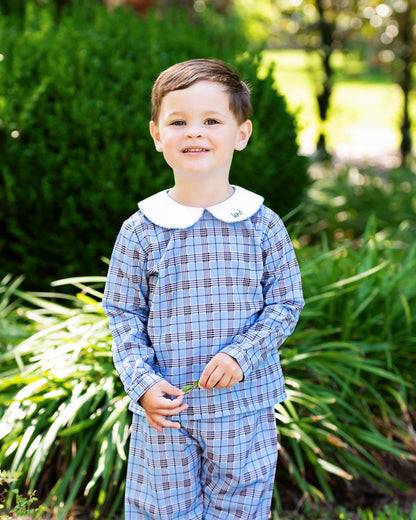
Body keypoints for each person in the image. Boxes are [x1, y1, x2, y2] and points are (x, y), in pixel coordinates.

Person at [102, 58, 304, 520]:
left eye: (211, 120)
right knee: (165, 512)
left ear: (241, 133)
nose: (194, 132)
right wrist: (142, 383)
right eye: (179, 122)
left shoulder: (261, 225)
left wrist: (242, 354)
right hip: (167, 411)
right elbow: (122, 313)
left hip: (244, 409)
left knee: (240, 507)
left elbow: (285, 302)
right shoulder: (142, 230)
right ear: (157, 135)